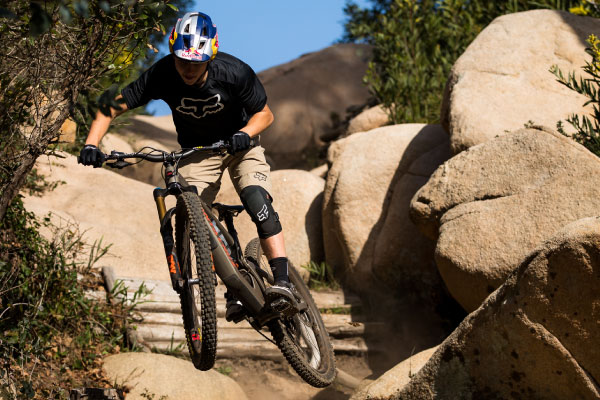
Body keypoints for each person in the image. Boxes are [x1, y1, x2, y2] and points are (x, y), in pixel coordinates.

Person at [79, 11, 294, 322]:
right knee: (196, 219)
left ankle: (283, 282)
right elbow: (109, 107)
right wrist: (91, 145)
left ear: (211, 55)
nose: (189, 69)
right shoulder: (162, 74)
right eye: (183, 61)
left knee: (256, 198)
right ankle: (234, 286)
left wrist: (244, 134)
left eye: (197, 62)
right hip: (197, 153)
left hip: (240, 146)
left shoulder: (233, 72)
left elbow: (265, 114)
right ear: (173, 51)